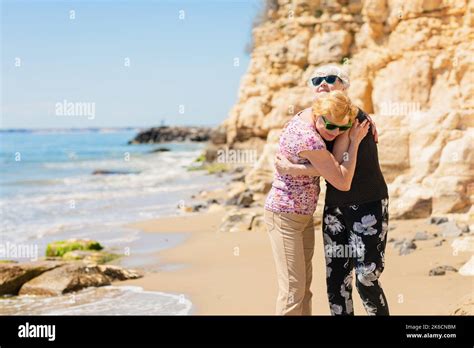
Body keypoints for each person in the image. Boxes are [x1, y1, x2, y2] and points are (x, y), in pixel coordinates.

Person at [275, 65, 390, 316]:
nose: (323, 84)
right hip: (335, 207)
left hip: (368, 202)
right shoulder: (318, 120)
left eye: (330, 79)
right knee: (336, 280)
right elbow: (325, 159)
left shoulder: (355, 118)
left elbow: (338, 173)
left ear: (344, 86)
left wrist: (295, 169)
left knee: (366, 277)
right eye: (317, 80)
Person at [264, 89, 369, 315]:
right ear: (317, 114)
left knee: (304, 288)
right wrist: (353, 142)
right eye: (329, 126)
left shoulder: (308, 115)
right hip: (284, 216)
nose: (334, 133)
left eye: (341, 128)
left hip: (302, 216)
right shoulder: (309, 138)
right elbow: (342, 181)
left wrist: (295, 168)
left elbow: (325, 166)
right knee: (292, 290)